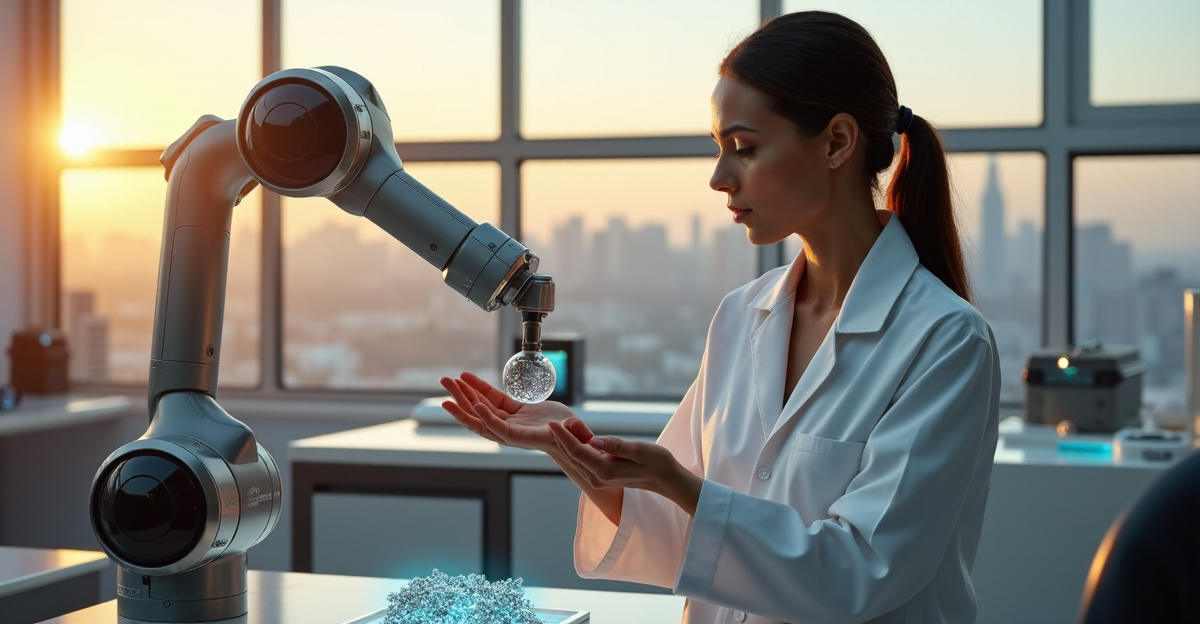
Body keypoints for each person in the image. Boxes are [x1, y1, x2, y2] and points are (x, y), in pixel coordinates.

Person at [440, 11, 1000, 624]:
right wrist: (579, 448)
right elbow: (682, 527)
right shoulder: (741, 316)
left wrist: (676, 483)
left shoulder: (946, 341)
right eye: (718, 150)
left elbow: (858, 574)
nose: (718, 177)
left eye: (745, 148)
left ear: (837, 142)